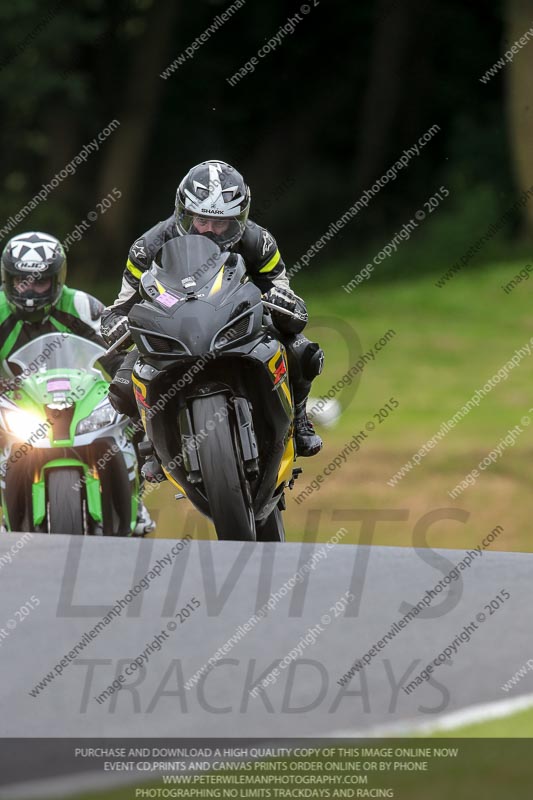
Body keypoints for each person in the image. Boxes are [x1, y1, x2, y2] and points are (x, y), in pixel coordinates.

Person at [100, 160, 324, 479]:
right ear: (184, 213)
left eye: (222, 224)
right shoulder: (146, 246)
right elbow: (122, 304)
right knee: (121, 386)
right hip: (170, 324)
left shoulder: (259, 242)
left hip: (236, 318)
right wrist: (114, 321)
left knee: (304, 352)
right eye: (202, 219)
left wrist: (285, 302)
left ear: (239, 219)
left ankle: (299, 417)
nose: (210, 230)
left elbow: (282, 289)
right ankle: (148, 443)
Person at [0, 231, 155, 535]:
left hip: (79, 400)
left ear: (58, 280)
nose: (30, 292)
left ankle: (135, 499)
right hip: (16, 404)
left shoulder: (82, 306)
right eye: (22, 281)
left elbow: (116, 352)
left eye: (40, 282)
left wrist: (123, 382)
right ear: (8, 279)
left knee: (132, 402)